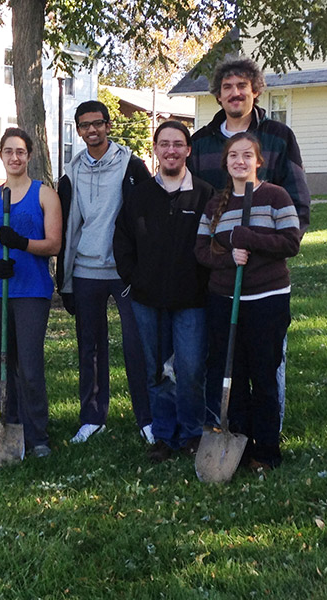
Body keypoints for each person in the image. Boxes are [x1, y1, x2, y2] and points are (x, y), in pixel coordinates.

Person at [188, 57, 311, 427]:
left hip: (266, 278)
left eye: (242, 85)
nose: (235, 92)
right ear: (218, 95)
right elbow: (197, 210)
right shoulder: (201, 143)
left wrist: (268, 254)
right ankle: (229, 427)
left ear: (255, 91)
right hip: (220, 273)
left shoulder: (278, 136)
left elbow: (298, 205)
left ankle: (267, 432)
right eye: (227, 87)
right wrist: (215, 258)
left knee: (266, 358)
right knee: (225, 356)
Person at [194, 132, 301, 470]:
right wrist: (230, 254)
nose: (240, 161)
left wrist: (248, 238)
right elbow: (201, 250)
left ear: (258, 161)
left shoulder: (275, 196)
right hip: (225, 298)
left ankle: (266, 451)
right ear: (225, 163)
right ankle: (237, 446)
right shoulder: (215, 204)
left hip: (267, 299)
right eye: (233, 156)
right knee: (233, 375)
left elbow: (290, 242)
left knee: (263, 375)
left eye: (247, 155)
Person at [114, 121, 216, 462]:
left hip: (192, 302)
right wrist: (133, 279)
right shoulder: (140, 195)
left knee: (189, 371)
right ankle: (164, 436)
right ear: (155, 149)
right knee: (156, 372)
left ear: (188, 149)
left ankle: (191, 434)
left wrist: (205, 286)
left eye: (178, 144)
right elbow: (122, 241)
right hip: (147, 300)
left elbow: (215, 245)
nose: (171, 150)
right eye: (164, 144)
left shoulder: (204, 194)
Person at [57, 100, 153, 445]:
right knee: (90, 348)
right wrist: (65, 278)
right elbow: (68, 226)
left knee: (137, 346)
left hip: (125, 272)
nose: (92, 130)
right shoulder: (71, 172)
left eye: (98, 123)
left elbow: (147, 218)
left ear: (109, 126)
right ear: (79, 130)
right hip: (85, 270)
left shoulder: (132, 167)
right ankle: (93, 418)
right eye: (85, 125)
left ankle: (148, 418)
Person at [0, 128, 62, 457]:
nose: (15, 157)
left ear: (29, 156)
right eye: (9, 151)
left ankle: (37, 432)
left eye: (21, 152)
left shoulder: (44, 194)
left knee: (29, 363)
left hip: (31, 289)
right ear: (1, 155)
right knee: (2, 362)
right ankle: (8, 423)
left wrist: (22, 243)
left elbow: (54, 244)